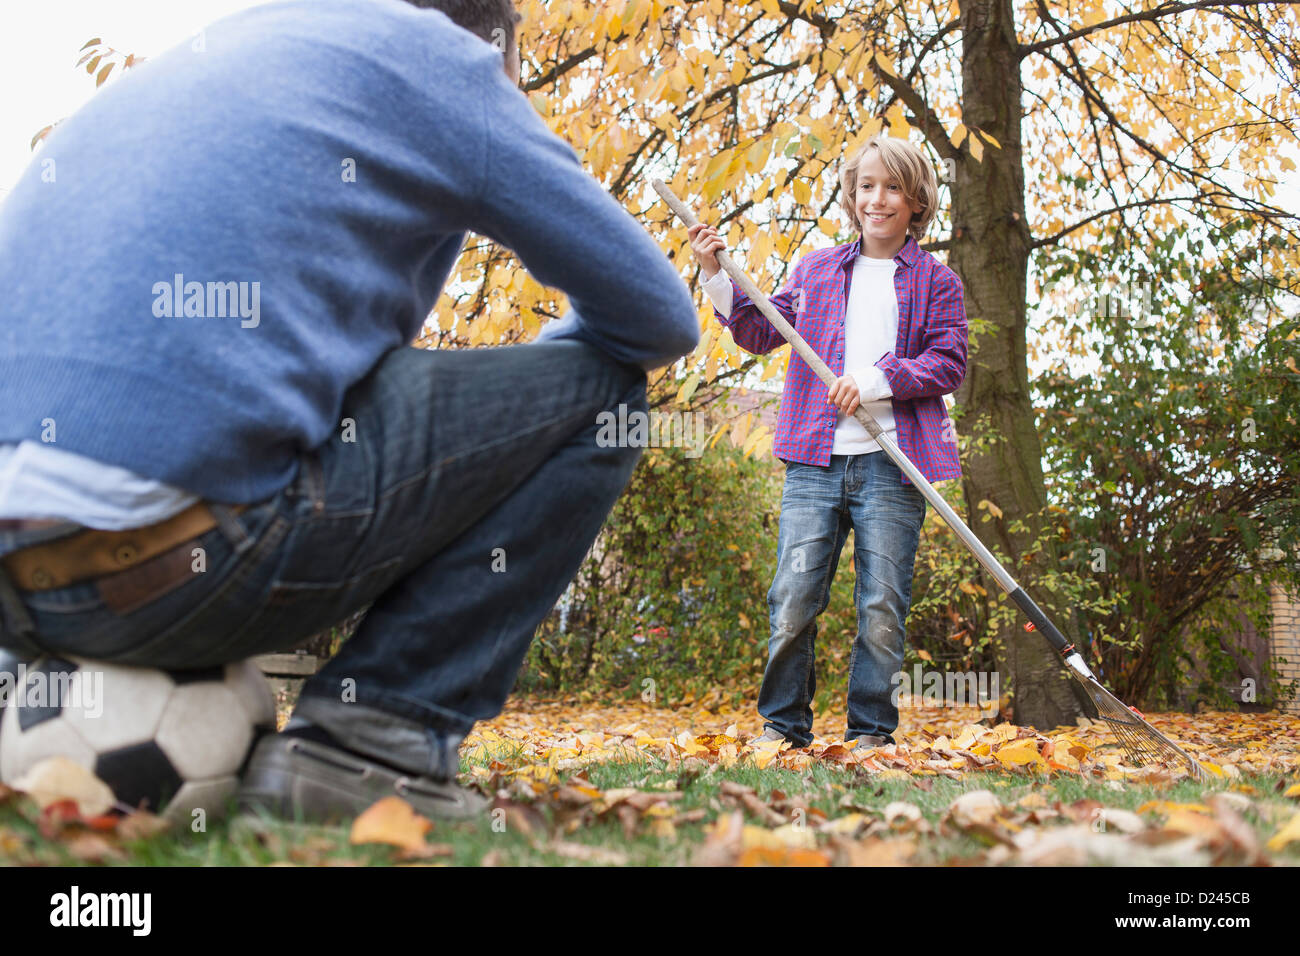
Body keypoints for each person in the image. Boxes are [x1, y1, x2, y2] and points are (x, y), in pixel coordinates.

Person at [0, 0, 699, 822]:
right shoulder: (447, 59)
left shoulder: (241, 41)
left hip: (16, 592)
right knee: (602, 391)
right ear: (496, 50)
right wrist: (546, 367)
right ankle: (371, 747)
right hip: (173, 577)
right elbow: (657, 320)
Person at [688, 135, 967, 752]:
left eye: (893, 187)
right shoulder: (816, 270)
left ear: (917, 199)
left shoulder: (937, 281)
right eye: (866, 185)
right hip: (814, 463)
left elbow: (949, 362)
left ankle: (871, 734)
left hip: (894, 466)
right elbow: (760, 330)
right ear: (851, 194)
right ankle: (783, 728)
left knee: (882, 610)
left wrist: (874, 381)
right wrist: (714, 273)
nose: (878, 198)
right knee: (792, 597)